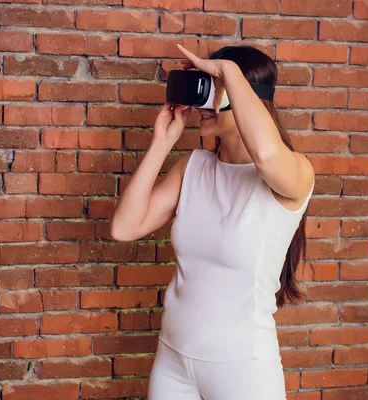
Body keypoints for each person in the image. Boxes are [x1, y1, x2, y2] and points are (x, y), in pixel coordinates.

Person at [110, 44, 315, 400]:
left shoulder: (294, 173)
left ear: (244, 95)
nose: (203, 103)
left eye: (213, 89)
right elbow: (124, 228)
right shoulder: (194, 167)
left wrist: (228, 72)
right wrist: (163, 141)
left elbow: (265, 155)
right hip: (173, 362)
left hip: (243, 370)